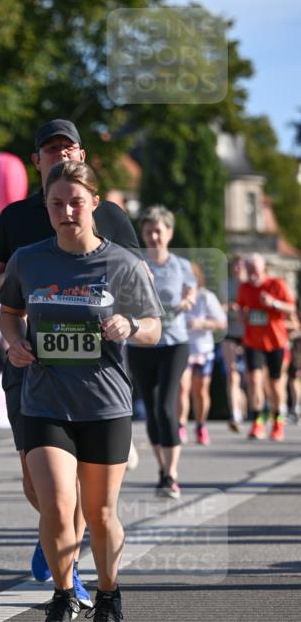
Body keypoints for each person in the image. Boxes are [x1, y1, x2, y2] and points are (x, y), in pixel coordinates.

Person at [0, 119, 142, 607]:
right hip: (32, 364)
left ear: (83, 156)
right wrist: (21, 280)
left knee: (86, 498)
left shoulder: (107, 213)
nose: (59, 156)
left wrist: (121, 320)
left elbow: (136, 288)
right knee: (39, 479)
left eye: (67, 148)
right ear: (37, 161)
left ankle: (70, 565)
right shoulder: (16, 217)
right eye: (50, 151)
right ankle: (57, 523)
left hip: (97, 377)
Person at [0, 161, 161, 622]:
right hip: (45, 401)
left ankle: (109, 593)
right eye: (56, 203)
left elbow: (154, 327)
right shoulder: (28, 259)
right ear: (46, 207)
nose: (67, 211)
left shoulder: (122, 264)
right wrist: (14, 341)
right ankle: (64, 595)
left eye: (75, 202)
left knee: (101, 514)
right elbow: (10, 311)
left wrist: (130, 326)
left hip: (105, 406)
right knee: (55, 503)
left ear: (94, 204)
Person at [127, 205, 197, 499]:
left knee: (167, 407)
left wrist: (188, 301)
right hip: (141, 343)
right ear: (143, 233)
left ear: (169, 232)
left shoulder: (180, 265)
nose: (154, 236)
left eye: (159, 230)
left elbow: (191, 291)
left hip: (174, 342)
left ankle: (172, 474)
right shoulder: (135, 263)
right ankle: (162, 469)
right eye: (148, 231)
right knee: (152, 410)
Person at [237, 253, 296, 441]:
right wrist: (241, 314)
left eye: (255, 268)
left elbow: (291, 308)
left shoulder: (276, 284)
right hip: (253, 342)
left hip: (276, 341)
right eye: (249, 268)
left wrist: (274, 303)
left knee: (275, 384)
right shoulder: (244, 288)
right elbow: (241, 309)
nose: (252, 272)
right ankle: (257, 422)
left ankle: (278, 422)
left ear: (262, 268)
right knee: (254, 380)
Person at [177, 262, 227, 445]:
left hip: (203, 350)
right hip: (182, 350)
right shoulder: (174, 296)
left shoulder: (206, 297)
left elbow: (222, 323)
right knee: (183, 388)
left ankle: (200, 425)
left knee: (201, 391)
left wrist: (202, 324)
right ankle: (180, 426)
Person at [220, 255, 248, 432]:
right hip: (230, 333)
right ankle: (235, 414)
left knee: (251, 378)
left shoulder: (250, 286)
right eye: (235, 265)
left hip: (249, 335)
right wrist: (229, 307)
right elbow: (218, 308)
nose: (237, 268)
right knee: (232, 375)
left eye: (240, 265)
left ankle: (252, 411)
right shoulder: (226, 285)